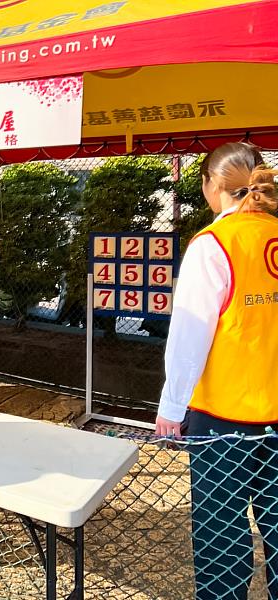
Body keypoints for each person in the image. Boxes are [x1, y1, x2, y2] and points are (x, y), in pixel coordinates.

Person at [156, 142, 278, 600]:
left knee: (221, 535)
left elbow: (190, 336)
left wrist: (171, 408)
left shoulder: (212, 245)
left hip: (224, 420)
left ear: (212, 187)